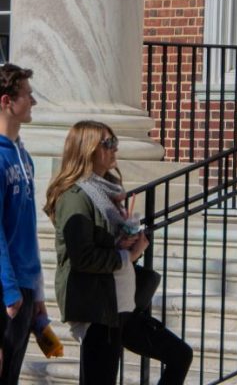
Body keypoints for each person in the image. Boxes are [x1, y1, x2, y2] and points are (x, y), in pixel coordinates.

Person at [44, 120, 193, 384]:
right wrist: (127, 255)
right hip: (98, 307)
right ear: (88, 149)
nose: (115, 149)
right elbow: (82, 257)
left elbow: (106, 242)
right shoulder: (76, 197)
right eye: (108, 143)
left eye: (115, 143)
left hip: (120, 303)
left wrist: (128, 240)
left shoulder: (108, 191)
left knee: (180, 354)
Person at [0, 63, 46, 384]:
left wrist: (38, 292)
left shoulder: (24, 156)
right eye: (28, 95)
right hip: (6, 290)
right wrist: (9, 290)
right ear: (6, 101)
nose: (34, 102)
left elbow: (28, 228)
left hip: (25, 287)